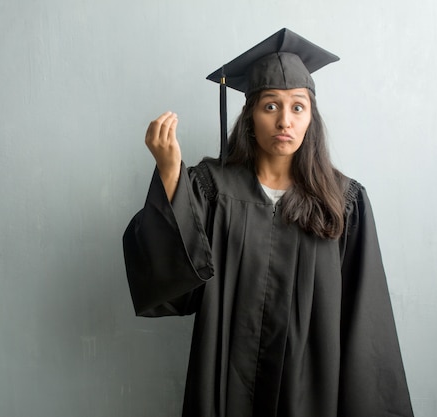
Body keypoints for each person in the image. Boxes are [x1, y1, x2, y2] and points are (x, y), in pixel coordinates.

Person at [122, 28, 414, 417]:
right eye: (270, 106)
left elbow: (365, 319)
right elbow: (176, 282)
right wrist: (170, 171)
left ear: (311, 117)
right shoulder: (211, 190)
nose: (284, 121)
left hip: (311, 386)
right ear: (250, 115)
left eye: (297, 107)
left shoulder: (343, 202)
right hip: (226, 380)